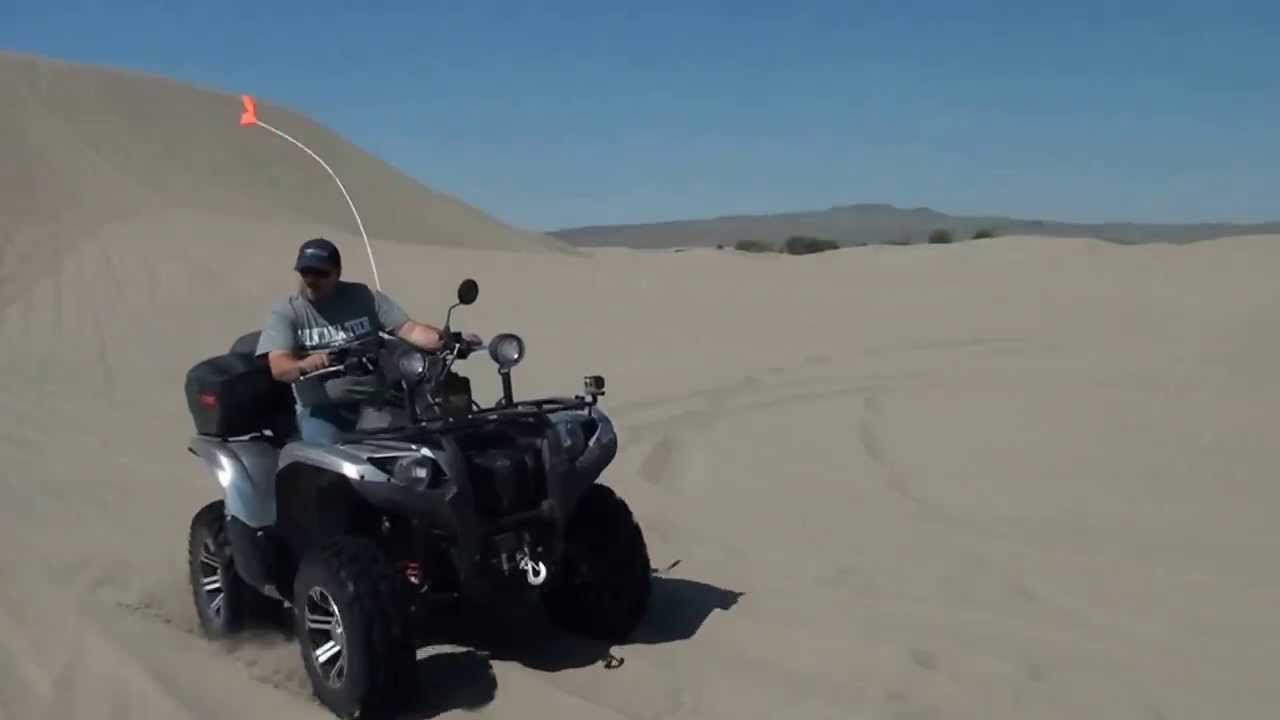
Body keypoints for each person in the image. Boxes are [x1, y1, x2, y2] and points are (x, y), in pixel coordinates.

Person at [255, 237, 475, 443]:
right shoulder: (289, 311)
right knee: (323, 459)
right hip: (324, 410)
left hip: (379, 403)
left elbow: (409, 329)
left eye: (321, 273)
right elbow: (279, 367)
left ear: (337, 273)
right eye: (306, 272)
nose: (312, 280)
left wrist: (449, 340)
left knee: (426, 442)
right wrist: (305, 364)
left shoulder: (362, 297)